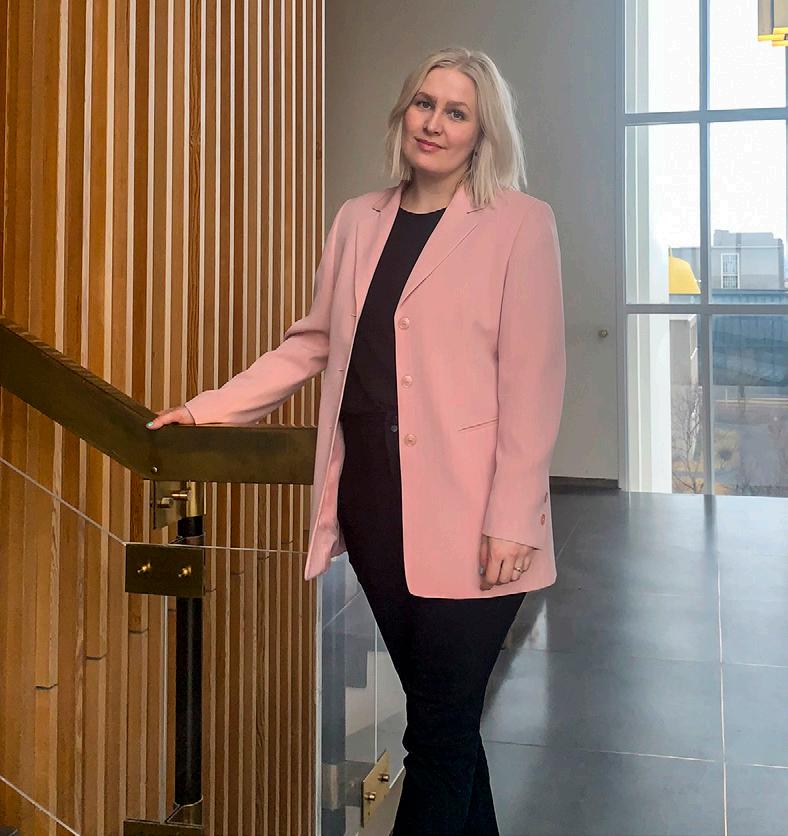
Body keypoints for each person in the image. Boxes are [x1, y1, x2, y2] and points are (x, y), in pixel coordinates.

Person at [148, 46, 566, 836]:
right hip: (374, 504)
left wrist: (513, 515)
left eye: (456, 112)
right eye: (424, 104)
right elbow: (311, 343)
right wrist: (210, 411)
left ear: (482, 134)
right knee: (445, 724)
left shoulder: (519, 223)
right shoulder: (356, 219)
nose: (433, 123)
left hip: (477, 511)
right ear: (404, 113)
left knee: (436, 733)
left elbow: (534, 380)